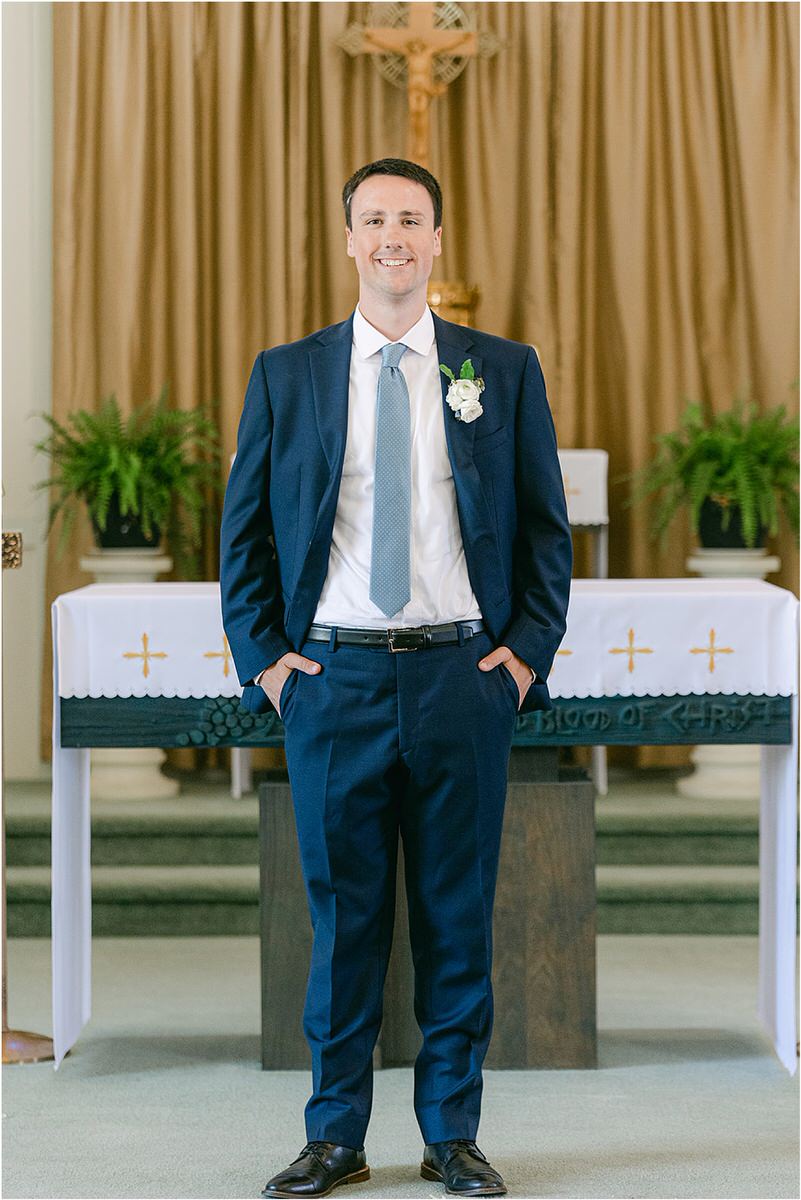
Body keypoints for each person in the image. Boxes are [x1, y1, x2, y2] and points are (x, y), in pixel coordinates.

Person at [220, 157, 572, 1199]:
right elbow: (244, 539)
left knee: (457, 914)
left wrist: (522, 658)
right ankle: (335, 1135)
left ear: (437, 239)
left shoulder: (499, 370)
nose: (391, 238)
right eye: (373, 219)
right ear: (347, 239)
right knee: (345, 922)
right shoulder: (287, 373)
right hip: (335, 684)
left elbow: (547, 533)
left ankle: (451, 1134)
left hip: (462, 679)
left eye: (410, 220)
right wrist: (270, 665)